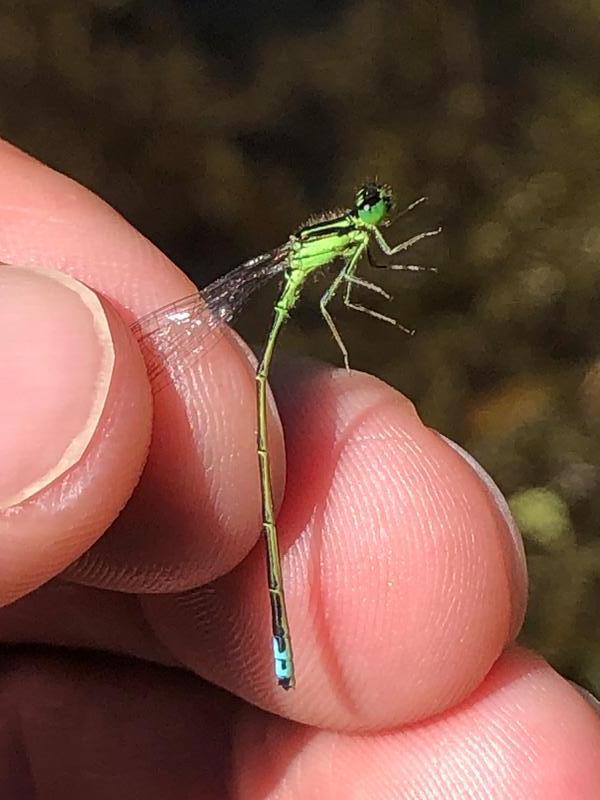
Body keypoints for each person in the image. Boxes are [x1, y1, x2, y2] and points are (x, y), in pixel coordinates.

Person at [1, 139, 599, 798]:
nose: (376, 217)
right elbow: (340, 291)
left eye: (376, 211)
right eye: (373, 209)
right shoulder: (337, 240)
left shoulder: (349, 237)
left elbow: (352, 282)